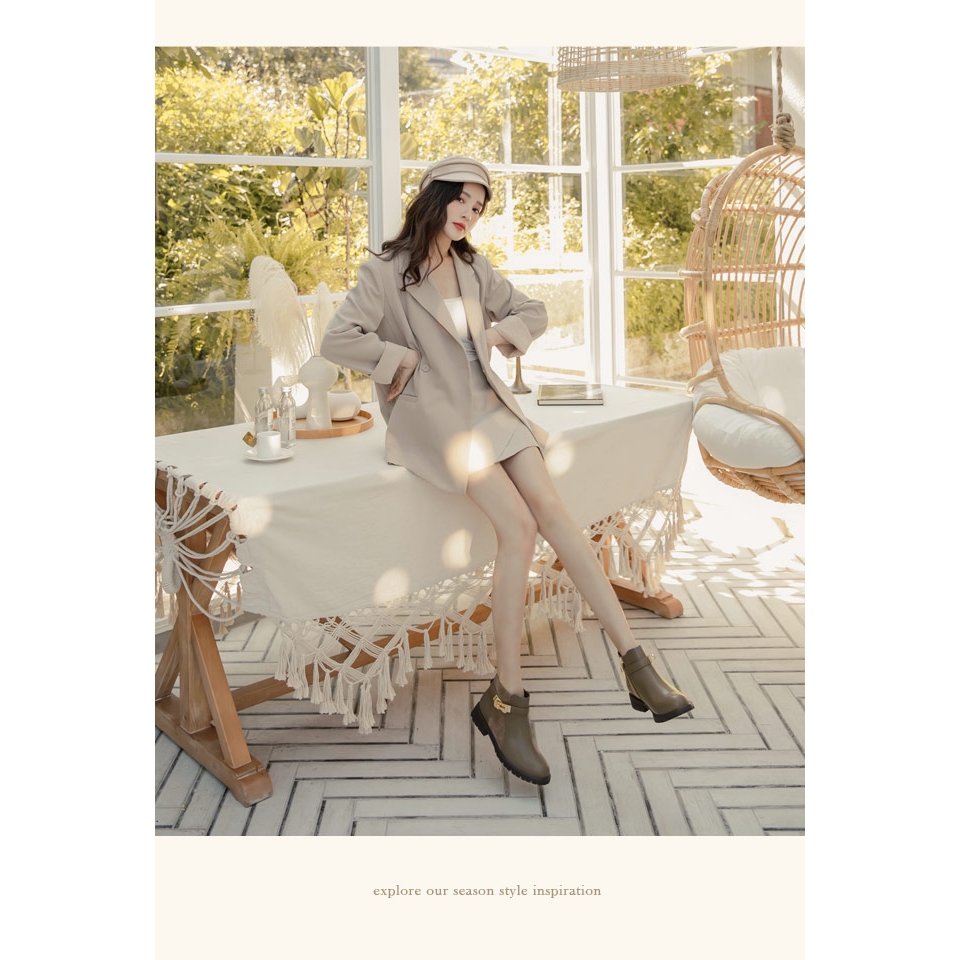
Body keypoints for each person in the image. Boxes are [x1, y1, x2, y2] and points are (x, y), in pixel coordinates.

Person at [320, 156, 693, 786]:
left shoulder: (473, 267)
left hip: (491, 406)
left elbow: (533, 310)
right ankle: (507, 697)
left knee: (557, 516)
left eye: (479, 207)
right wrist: (398, 359)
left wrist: (498, 336)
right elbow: (337, 339)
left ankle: (635, 662)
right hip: (436, 418)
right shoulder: (385, 270)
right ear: (435, 197)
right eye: (462, 201)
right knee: (517, 528)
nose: (469, 214)